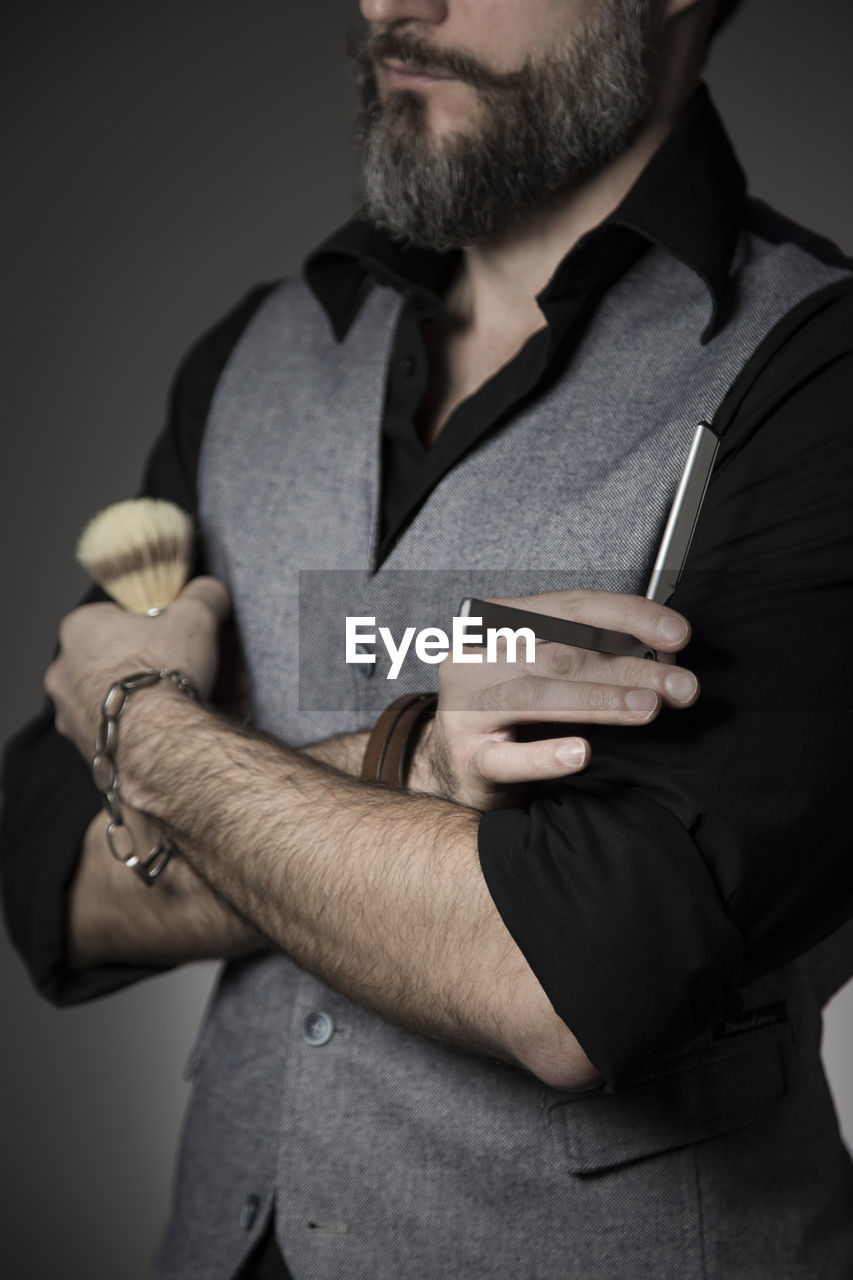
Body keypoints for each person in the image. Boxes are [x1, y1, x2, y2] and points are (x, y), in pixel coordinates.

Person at [3, 0, 853, 1275]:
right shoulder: (254, 354)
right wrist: (402, 768)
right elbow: (52, 880)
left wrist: (149, 730)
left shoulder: (817, 377)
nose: (388, 1)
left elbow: (564, 972)